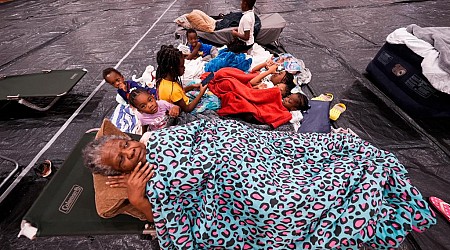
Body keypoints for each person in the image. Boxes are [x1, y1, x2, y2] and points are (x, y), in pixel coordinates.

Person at [83, 118, 436, 249]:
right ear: (117, 172)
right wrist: (138, 197)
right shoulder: (145, 182)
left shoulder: (157, 140)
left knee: (297, 156)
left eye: (127, 144)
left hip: (247, 154)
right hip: (234, 191)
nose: (131, 151)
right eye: (122, 158)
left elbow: (204, 129)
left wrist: (222, 137)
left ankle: (341, 175)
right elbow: (169, 222)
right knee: (277, 204)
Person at [155, 45, 208, 113]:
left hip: (182, 100)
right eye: (182, 66)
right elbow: (187, 109)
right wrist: (201, 93)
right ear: (172, 68)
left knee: (196, 82)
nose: (184, 68)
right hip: (186, 108)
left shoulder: (164, 80)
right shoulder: (173, 90)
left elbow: (179, 94)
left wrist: (192, 87)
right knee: (214, 103)